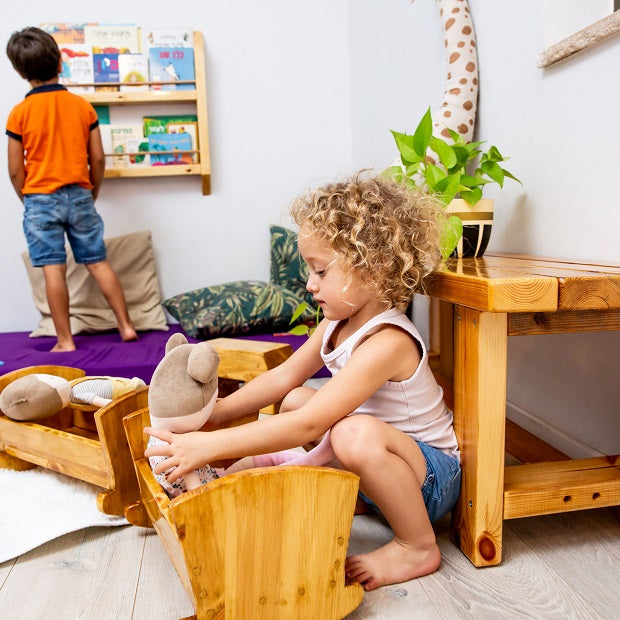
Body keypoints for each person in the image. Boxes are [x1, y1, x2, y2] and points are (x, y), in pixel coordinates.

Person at [145, 173, 461, 591]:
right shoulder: (336, 323)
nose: (310, 284)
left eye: (321, 271)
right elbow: (283, 377)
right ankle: (367, 497)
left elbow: (313, 427)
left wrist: (212, 445)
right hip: (380, 466)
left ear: (376, 267)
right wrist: (216, 415)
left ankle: (416, 544)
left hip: (431, 479)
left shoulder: (390, 340)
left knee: (348, 431)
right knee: (296, 399)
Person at [5, 27, 137, 352]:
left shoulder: (19, 113)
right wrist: (92, 191)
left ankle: (65, 340)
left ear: (21, 72)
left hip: (39, 199)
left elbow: (13, 169)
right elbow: (99, 157)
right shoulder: (82, 107)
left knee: (53, 268)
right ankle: (126, 325)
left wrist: (28, 199)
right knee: (97, 261)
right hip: (79, 194)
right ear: (60, 61)